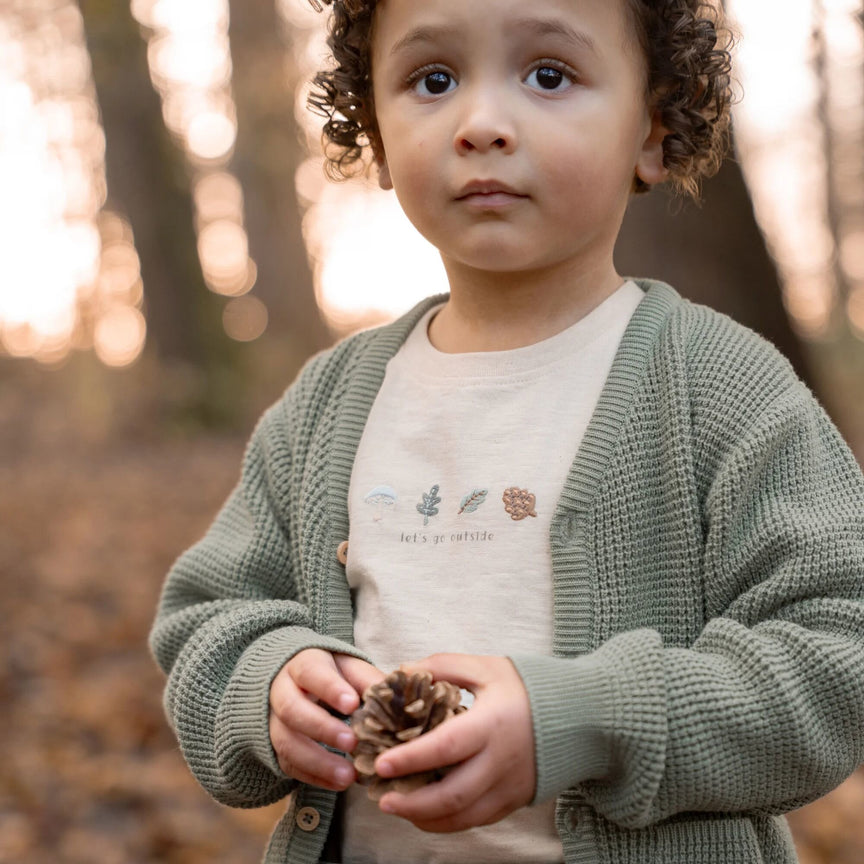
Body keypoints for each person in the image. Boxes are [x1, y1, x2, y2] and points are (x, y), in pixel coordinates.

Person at [149, 0, 864, 861]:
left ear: (655, 124)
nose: (481, 124)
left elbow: (839, 654)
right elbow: (208, 619)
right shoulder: (325, 406)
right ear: (375, 134)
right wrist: (265, 683)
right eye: (433, 79)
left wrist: (587, 720)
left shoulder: (721, 389)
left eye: (549, 75)